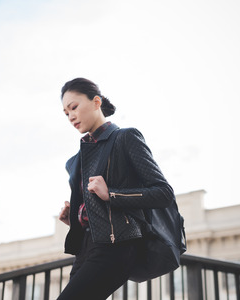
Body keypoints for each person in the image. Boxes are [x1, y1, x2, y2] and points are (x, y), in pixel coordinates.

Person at [57, 78, 175, 300]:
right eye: (66, 113)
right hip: (86, 248)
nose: (71, 116)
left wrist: (110, 194)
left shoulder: (125, 138)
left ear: (96, 102)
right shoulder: (76, 161)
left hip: (117, 246)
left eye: (74, 107)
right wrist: (77, 217)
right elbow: (99, 211)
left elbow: (163, 193)